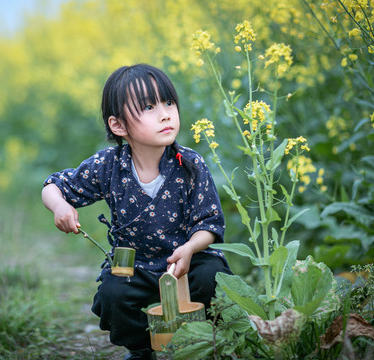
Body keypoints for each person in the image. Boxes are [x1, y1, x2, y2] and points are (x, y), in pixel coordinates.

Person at [41, 64, 231, 360]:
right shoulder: (108, 165)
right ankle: (141, 349)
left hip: (187, 259)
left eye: (169, 103)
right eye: (148, 107)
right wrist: (60, 206)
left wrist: (191, 248)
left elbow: (209, 223)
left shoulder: (190, 164)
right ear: (118, 126)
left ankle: (208, 343)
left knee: (215, 278)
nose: (165, 114)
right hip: (135, 266)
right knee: (112, 296)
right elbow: (53, 186)